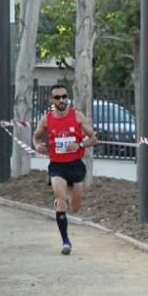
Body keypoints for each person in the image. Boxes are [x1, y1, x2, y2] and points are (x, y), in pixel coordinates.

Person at [32, 84, 97, 255]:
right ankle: (66, 242)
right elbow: (36, 136)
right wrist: (37, 146)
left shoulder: (77, 116)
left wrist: (79, 144)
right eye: (57, 97)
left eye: (64, 97)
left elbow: (93, 138)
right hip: (57, 166)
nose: (61, 100)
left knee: (75, 207)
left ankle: (67, 200)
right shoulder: (46, 119)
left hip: (75, 165)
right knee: (60, 199)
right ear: (51, 100)